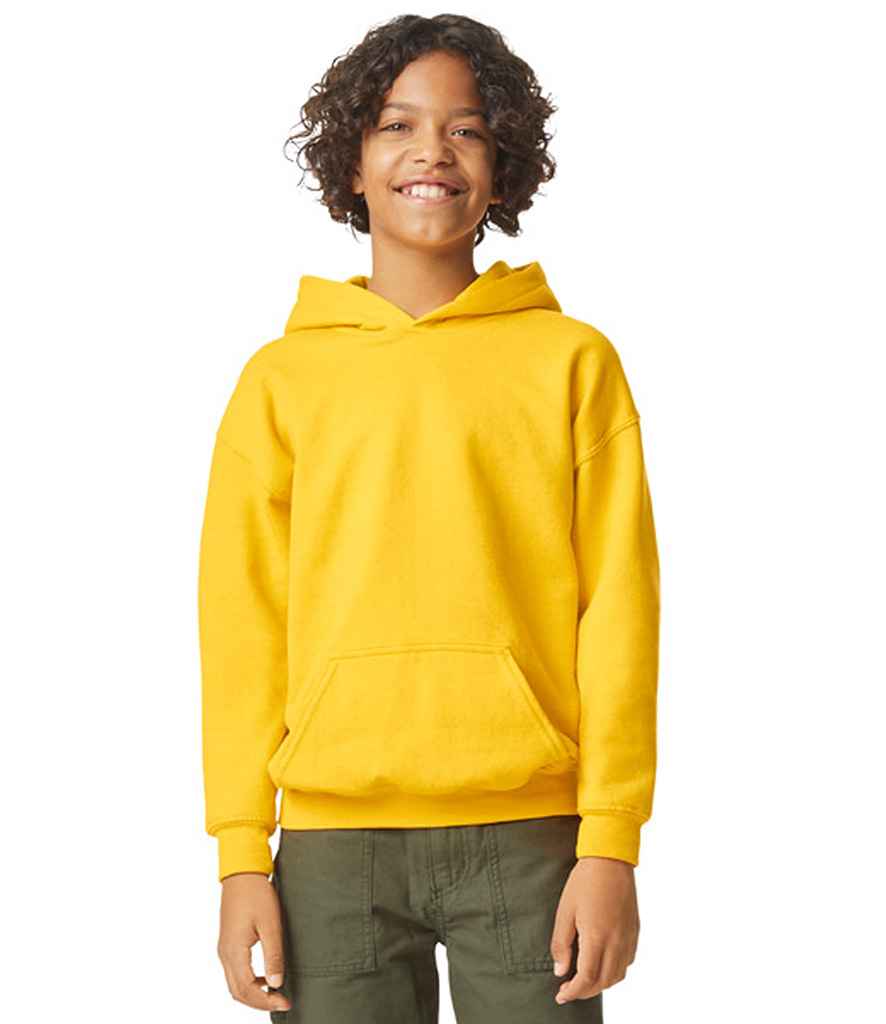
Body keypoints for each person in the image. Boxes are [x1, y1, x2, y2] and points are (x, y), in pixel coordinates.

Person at [197, 14, 660, 1023]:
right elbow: (241, 627)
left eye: (467, 129)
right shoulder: (282, 380)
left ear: (503, 167)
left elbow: (619, 611)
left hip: (533, 835)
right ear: (351, 164)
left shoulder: (571, 362)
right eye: (396, 125)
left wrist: (611, 843)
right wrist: (240, 854)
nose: (432, 152)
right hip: (329, 848)